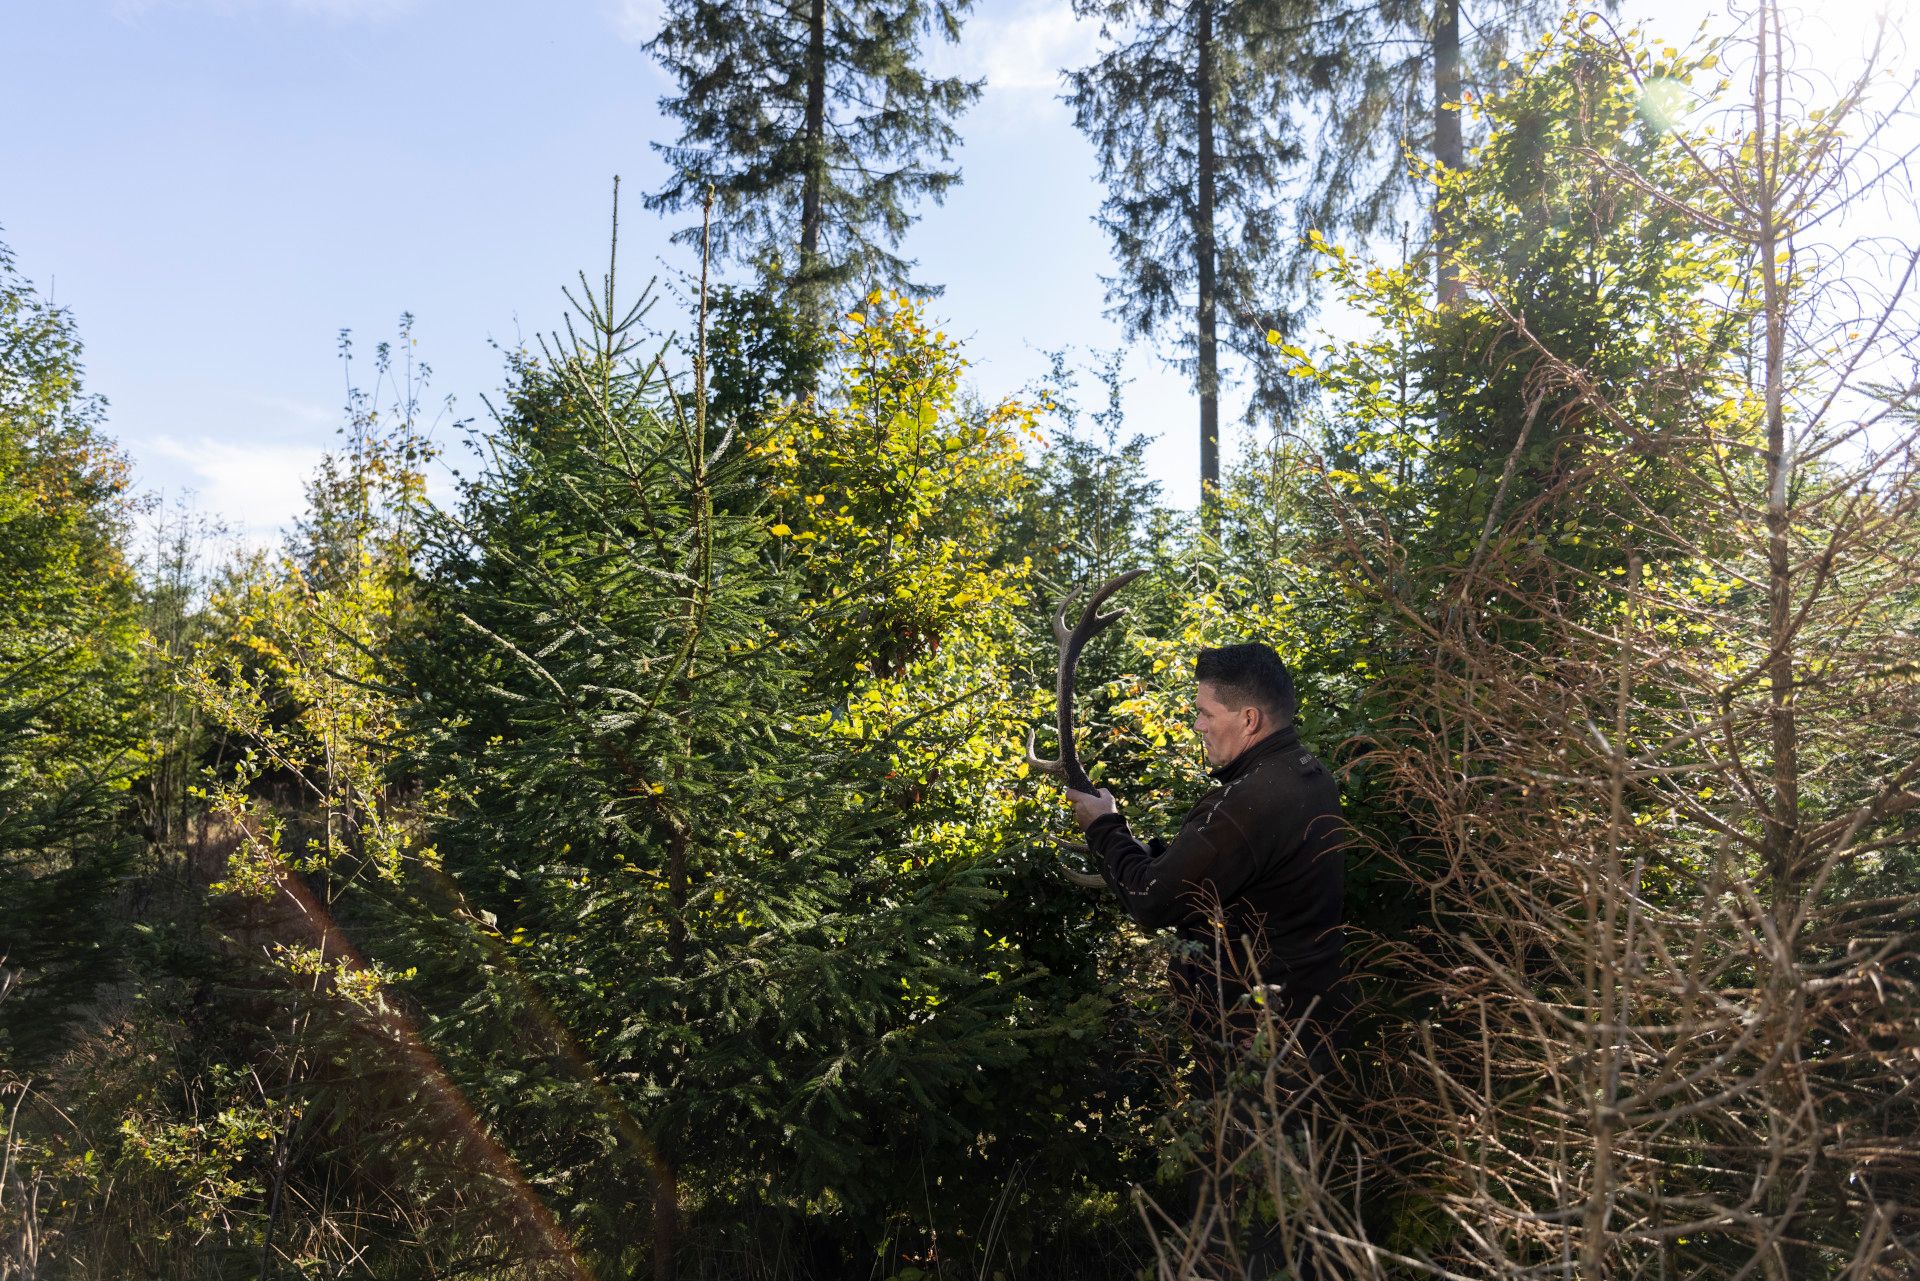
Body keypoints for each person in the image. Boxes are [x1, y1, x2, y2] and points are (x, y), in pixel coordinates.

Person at [1065, 642, 1352, 1275]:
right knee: (1292, 1219)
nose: (1196, 726)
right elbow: (1225, 878)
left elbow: (1151, 899)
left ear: (1248, 720)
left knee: (1245, 1230)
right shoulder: (1307, 774)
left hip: (1257, 1052)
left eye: (1204, 712)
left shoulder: (1256, 798)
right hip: (1304, 1036)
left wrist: (1105, 827)